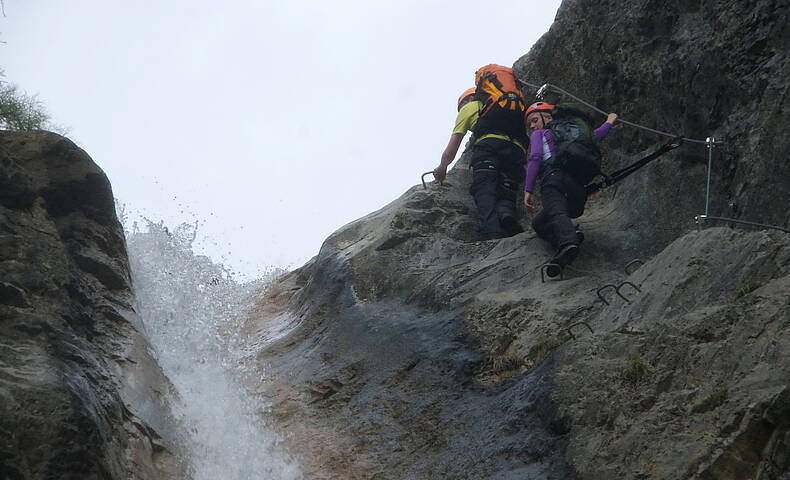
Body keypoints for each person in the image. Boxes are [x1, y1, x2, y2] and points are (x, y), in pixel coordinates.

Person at [522, 101, 618, 276]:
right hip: (577, 192)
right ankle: (569, 237)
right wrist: (610, 121)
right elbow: (595, 138)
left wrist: (527, 190)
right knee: (539, 223)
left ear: (548, 117)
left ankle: (568, 242)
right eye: (530, 124)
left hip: (553, 180)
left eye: (535, 120)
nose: (532, 126)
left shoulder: (541, 135)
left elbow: (535, 157)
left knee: (556, 213)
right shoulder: (574, 136)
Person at [434, 82, 527, 240]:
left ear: (465, 101)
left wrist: (443, 167)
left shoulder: (469, 107)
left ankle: (491, 229)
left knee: (484, 187)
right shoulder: (505, 104)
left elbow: (454, 142)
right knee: (507, 186)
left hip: (489, 146)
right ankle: (506, 214)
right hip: (517, 149)